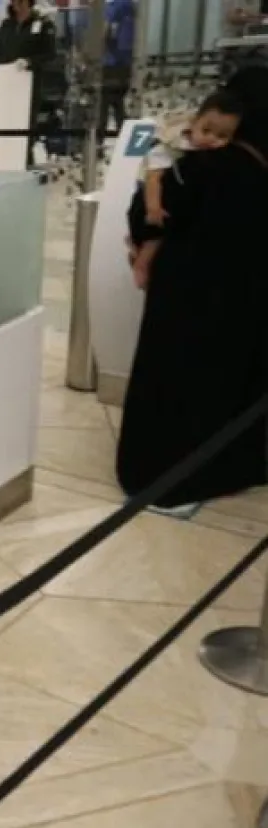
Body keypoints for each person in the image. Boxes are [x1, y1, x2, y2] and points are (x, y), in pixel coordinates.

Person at [116, 67, 268, 513]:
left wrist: (143, 245)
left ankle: (164, 476)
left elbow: (149, 214)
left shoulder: (202, 167)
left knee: (177, 384)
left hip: (187, 300)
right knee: (236, 382)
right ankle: (234, 465)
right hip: (249, 302)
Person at [129, 91, 242, 289]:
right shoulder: (171, 146)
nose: (211, 139)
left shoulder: (213, 158)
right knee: (155, 233)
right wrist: (153, 208)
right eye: (206, 130)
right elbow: (153, 178)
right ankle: (142, 262)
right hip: (150, 193)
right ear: (193, 123)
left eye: (222, 136)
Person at [0, 0, 56, 66]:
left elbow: (49, 55)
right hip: (3, 76)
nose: (16, 3)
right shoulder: (6, 25)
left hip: (29, 77)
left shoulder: (44, 25)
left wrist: (29, 62)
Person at [102, 0, 137, 132]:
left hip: (111, 61)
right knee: (118, 102)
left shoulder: (114, 6)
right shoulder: (132, 5)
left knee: (103, 103)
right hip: (127, 61)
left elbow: (107, 30)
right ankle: (124, 135)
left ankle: (98, 142)